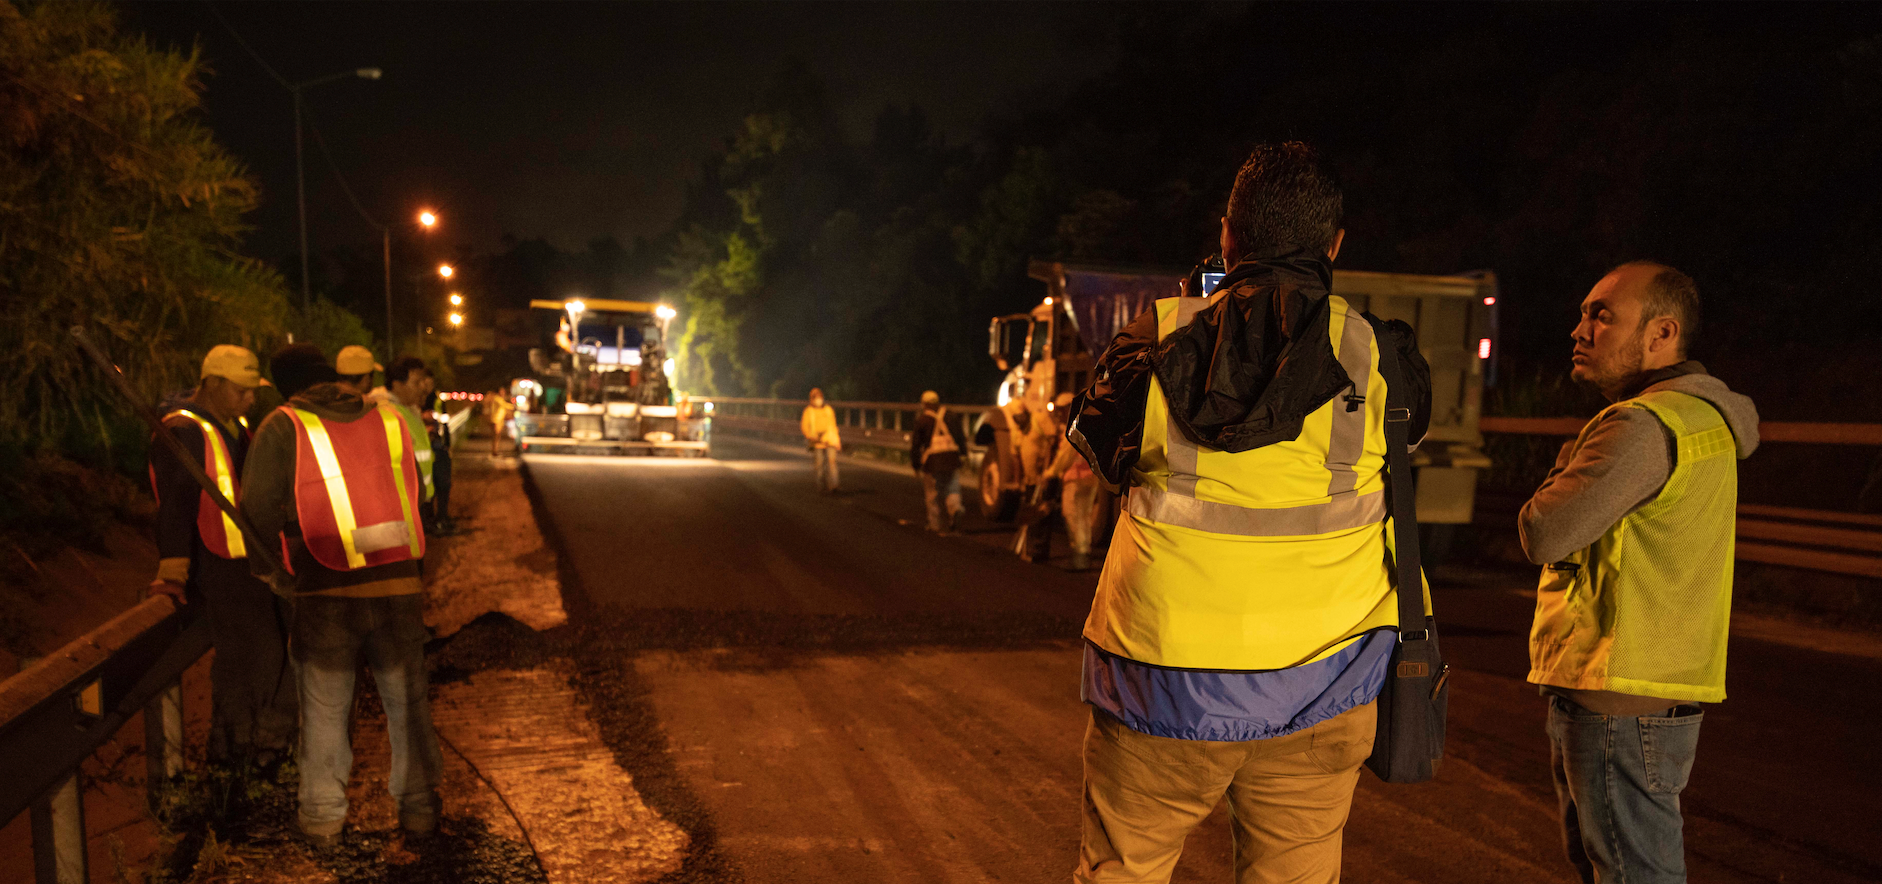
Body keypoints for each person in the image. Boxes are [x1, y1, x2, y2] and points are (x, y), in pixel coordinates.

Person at [1063, 141, 1432, 884]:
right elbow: (1404, 448)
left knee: (1122, 872)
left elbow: (1101, 457)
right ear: (1334, 245)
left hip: (1159, 681)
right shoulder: (1382, 358)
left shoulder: (1154, 338)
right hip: (1330, 682)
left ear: (1227, 237)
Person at [1519, 262, 1759, 884]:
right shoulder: (1705, 422)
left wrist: (1567, 459)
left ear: (1661, 334)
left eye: (1603, 315)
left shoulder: (1640, 426)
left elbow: (1544, 532)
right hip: (1659, 685)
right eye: (1583, 313)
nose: (1581, 329)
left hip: (1614, 694)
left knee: (1631, 873)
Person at [242, 349, 443, 848]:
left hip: (326, 590)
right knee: (408, 706)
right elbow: (415, 494)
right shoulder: (391, 419)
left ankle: (323, 821)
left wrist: (272, 572)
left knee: (326, 711)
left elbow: (256, 508)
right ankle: (420, 813)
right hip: (398, 584)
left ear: (284, 385)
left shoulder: (282, 425)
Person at [148, 345, 296, 767]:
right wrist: (173, 570)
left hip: (248, 558)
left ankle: (241, 750)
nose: (250, 399)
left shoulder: (235, 424)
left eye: (253, 391)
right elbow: (176, 503)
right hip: (216, 561)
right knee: (252, 654)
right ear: (212, 383)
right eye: (241, 390)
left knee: (260, 653)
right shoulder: (184, 429)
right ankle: (235, 752)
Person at [371, 356, 441, 533]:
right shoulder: (388, 415)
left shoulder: (410, 410)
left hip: (418, 501)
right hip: (402, 507)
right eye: (416, 383)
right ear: (397, 384)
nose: (421, 388)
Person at [1044, 392, 1101, 571]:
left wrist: (1051, 473)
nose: (1060, 413)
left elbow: (1065, 456)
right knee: (1084, 516)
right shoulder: (1088, 422)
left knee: (1071, 514)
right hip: (1090, 477)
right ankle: (1084, 553)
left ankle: (1079, 555)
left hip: (1075, 479)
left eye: (1062, 409)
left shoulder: (1073, 426)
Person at [911, 391, 966, 533]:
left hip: (932, 462)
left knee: (932, 494)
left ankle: (934, 525)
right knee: (952, 489)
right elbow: (960, 437)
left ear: (924, 404)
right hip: (952, 459)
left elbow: (916, 446)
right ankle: (955, 511)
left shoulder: (922, 420)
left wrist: (916, 465)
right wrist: (964, 454)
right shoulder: (951, 416)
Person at [801, 387, 842, 493]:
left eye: (820, 398)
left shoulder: (828, 410)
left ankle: (834, 486)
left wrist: (837, 441)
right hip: (817, 442)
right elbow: (805, 427)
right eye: (816, 398)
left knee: (832, 463)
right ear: (812, 399)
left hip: (829, 440)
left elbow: (833, 426)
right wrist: (810, 436)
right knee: (819, 465)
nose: (819, 400)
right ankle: (821, 486)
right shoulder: (808, 411)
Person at [485, 388, 516, 456]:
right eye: (501, 392)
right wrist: (514, 407)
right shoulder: (497, 399)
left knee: (497, 436)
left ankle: (495, 450)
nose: (503, 393)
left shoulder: (499, 399)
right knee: (496, 436)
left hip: (499, 420)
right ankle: (494, 451)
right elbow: (504, 405)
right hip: (496, 420)